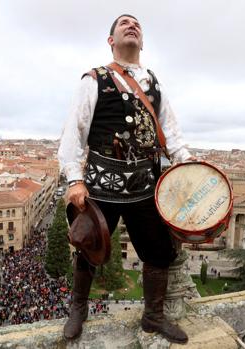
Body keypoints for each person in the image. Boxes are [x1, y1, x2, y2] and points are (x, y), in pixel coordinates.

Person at [58, 14, 193, 344]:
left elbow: (171, 132)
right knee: (88, 247)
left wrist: (188, 165)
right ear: (111, 40)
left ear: (142, 42)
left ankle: (153, 317)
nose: (131, 26)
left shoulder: (154, 84)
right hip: (102, 184)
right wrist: (76, 180)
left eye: (137, 25)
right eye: (124, 24)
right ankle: (78, 309)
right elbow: (73, 134)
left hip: (145, 187)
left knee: (160, 252)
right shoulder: (94, 80)